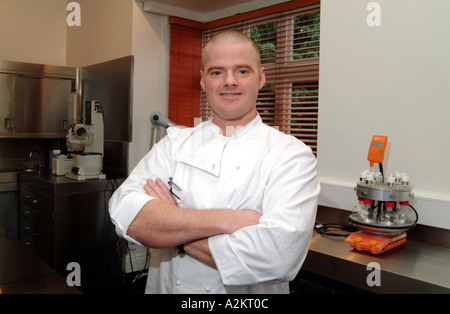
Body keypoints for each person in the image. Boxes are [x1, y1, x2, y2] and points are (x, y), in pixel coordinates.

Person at [108, 30, 320, 294]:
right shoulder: (175, 142)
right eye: (217, 72)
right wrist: (228, 219)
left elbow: (277, 256)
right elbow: (126, 213)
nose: (229, 81)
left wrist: (175, 233)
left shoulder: (291, 155)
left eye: (242, 71)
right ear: (203, 80)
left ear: (261, 78)